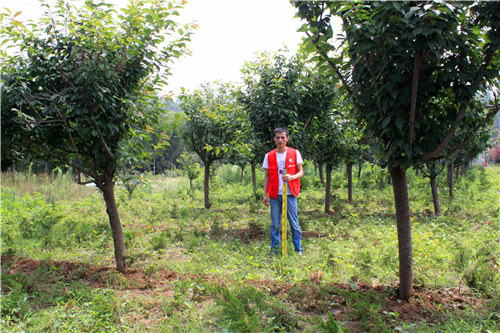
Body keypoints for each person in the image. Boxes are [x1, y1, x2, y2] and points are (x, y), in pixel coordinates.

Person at [262, 127, 304, 256]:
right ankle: (274, 250)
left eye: (283, 137)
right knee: (275, 224)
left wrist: (292, 177)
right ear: (274, 139)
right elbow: (267, 176)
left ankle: (298, 250)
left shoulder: (294, 153)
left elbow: (301, 172)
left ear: (287, 138)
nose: (280, 140)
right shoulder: (269, 155)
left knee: (294, 223)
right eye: (278, 137)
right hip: (275, 195)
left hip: (290, 194)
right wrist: (265, 195)